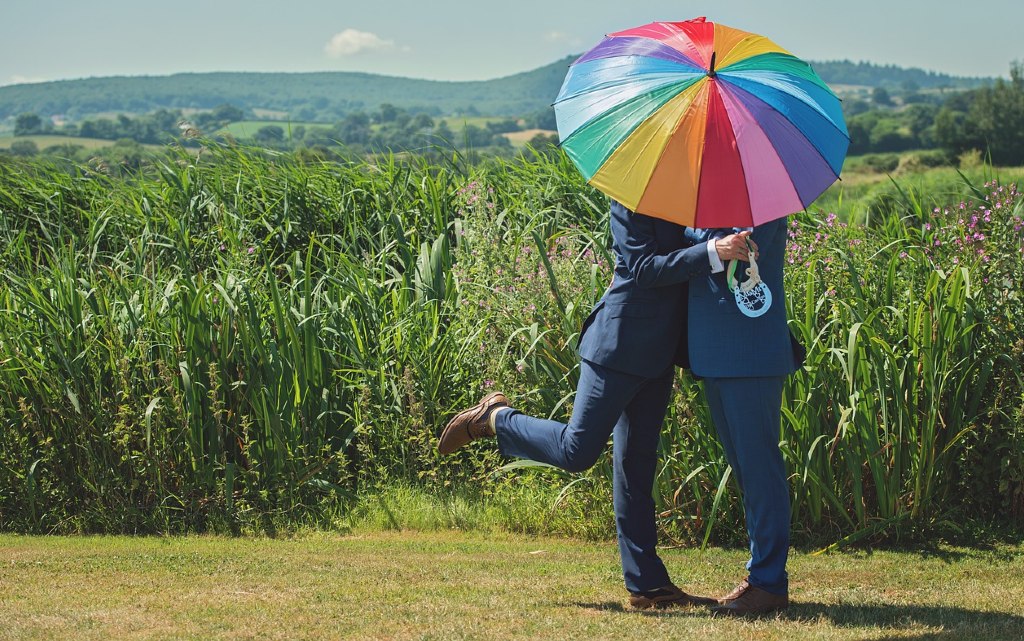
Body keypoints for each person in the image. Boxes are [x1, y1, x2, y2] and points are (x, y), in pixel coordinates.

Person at [438, 199, 754, 609]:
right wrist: (715, 252)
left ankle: (647, 587)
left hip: (658, 355)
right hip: (618, 346)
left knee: (635, 470)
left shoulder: (687, 199)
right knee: (576, 450)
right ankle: (496, 418)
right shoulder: (631, 198)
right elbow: (643, 269)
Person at [687, 217, 801, 617]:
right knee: (745, 470)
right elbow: (709, 247)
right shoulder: (708, 199)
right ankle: (761, 575)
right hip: (716, 352)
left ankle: (769, 583)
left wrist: (691, 238)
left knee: (760, 469)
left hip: (750, 352)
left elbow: (738, 248)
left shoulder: (761, 197)